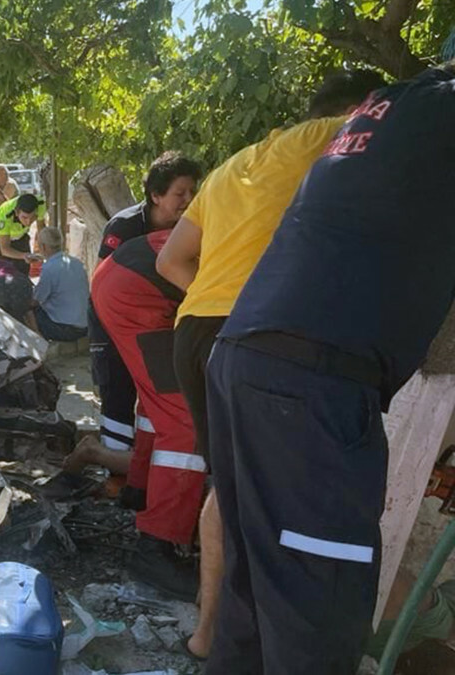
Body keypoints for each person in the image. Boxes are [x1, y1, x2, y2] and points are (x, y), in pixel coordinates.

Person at [203, 63, 455, 674]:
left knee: (256, 594)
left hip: (247, 357)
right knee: (318, 609)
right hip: (311, 383)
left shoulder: (396, 104)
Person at [154, 69, 387, 661]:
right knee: (266, 496)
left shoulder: (236, 164)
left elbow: (172, 262)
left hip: (198, 330)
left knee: (228, 487)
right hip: (257, 335)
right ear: (359, 110)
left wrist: (221, 306)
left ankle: (210, 635)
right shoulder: (339, 135)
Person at [92, 229, 204, 601]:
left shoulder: (245, 206)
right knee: (186, 422)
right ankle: (157, 546)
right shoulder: (280, 238)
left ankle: (140, 491)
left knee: (159, 402)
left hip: (121, 279)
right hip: (139, 292)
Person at [86, 152, 202, 486]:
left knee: (154, 400)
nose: (188, 200)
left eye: (192, 192)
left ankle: (137, 477)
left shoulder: (188, 228)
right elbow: (104, 284)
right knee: (117, 394)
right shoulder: (124, 226)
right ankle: (113, 478)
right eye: (180, 193)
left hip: (158, 323)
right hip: (112, 322)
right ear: (156, 195)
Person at [32, 226, 88, 343]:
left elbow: (36, 300)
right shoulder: (77, 263)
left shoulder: (49, 269)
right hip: (84, 326)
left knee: (27, 311)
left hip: (65, 329)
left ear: (43, 247)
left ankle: (39, 346)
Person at [0, 193, 44, 276]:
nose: (28, 222)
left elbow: (41, 230)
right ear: (17, 212)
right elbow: (4, 249)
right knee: (1, 274)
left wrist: (44, 251)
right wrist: (24, 255)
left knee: (23, 271)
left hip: (20, 235)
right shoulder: (5, 216)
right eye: (24, 217)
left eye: (32, 217)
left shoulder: (40, 204)